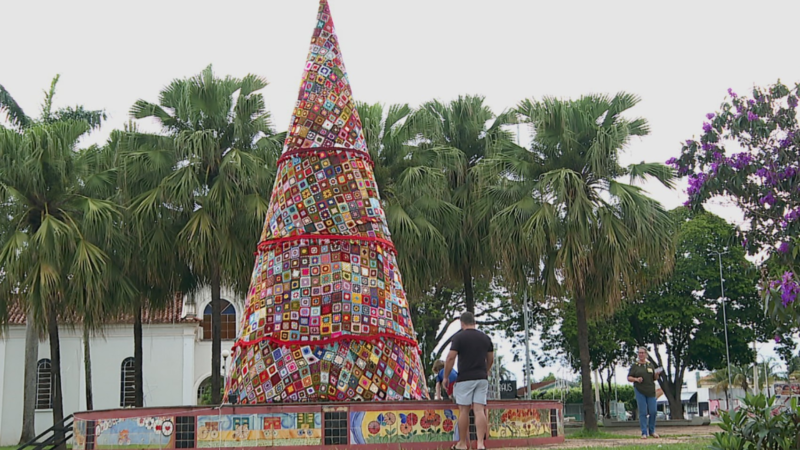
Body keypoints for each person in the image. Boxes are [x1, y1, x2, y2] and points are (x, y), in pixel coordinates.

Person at [443, 312, 493, 450]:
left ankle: (462, 444)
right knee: (479, 410)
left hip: (465, 378)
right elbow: (490, 358)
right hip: (481, 378)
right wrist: (486, 370)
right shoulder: (485, 338)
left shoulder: (459, 337)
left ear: (462, 323)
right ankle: (481, 444)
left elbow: (450, 358)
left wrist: (446, 376)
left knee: (464, 411)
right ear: (474, 322)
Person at [627, 346, 661, 439]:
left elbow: (654, 378)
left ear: (646, 354)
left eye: (642, 353)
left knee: (653, 411)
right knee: (643, 412)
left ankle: (652, 431)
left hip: (650, 391)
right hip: (640, 390)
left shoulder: (650, 365)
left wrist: (657, 375)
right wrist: (636, 379)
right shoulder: (635, 365)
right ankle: (644, 432)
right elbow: (629, 377)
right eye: (639, 353)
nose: (641, 354)